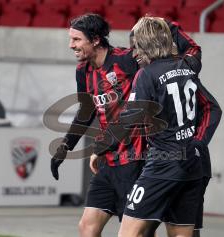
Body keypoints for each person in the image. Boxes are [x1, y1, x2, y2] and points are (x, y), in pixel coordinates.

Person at [116, 17, 222, 237]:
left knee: (128, 233)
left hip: (162, 164)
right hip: (193, 164)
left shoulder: (146, 74)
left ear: (147, 44)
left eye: (136, 46)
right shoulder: (186, 67)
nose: (132, 53)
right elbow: (212, 108)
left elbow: (130, 120)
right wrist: (198, 142)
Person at [50, 13, 146, 237]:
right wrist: (64, 148)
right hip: (108, 160)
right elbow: (85, 112)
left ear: (95, 39)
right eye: (71, 39)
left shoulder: (126, 60)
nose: (71, 45)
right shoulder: (83, 71)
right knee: (87, 226)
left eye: (76, 40)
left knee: (136, 232)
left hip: (135, 159)